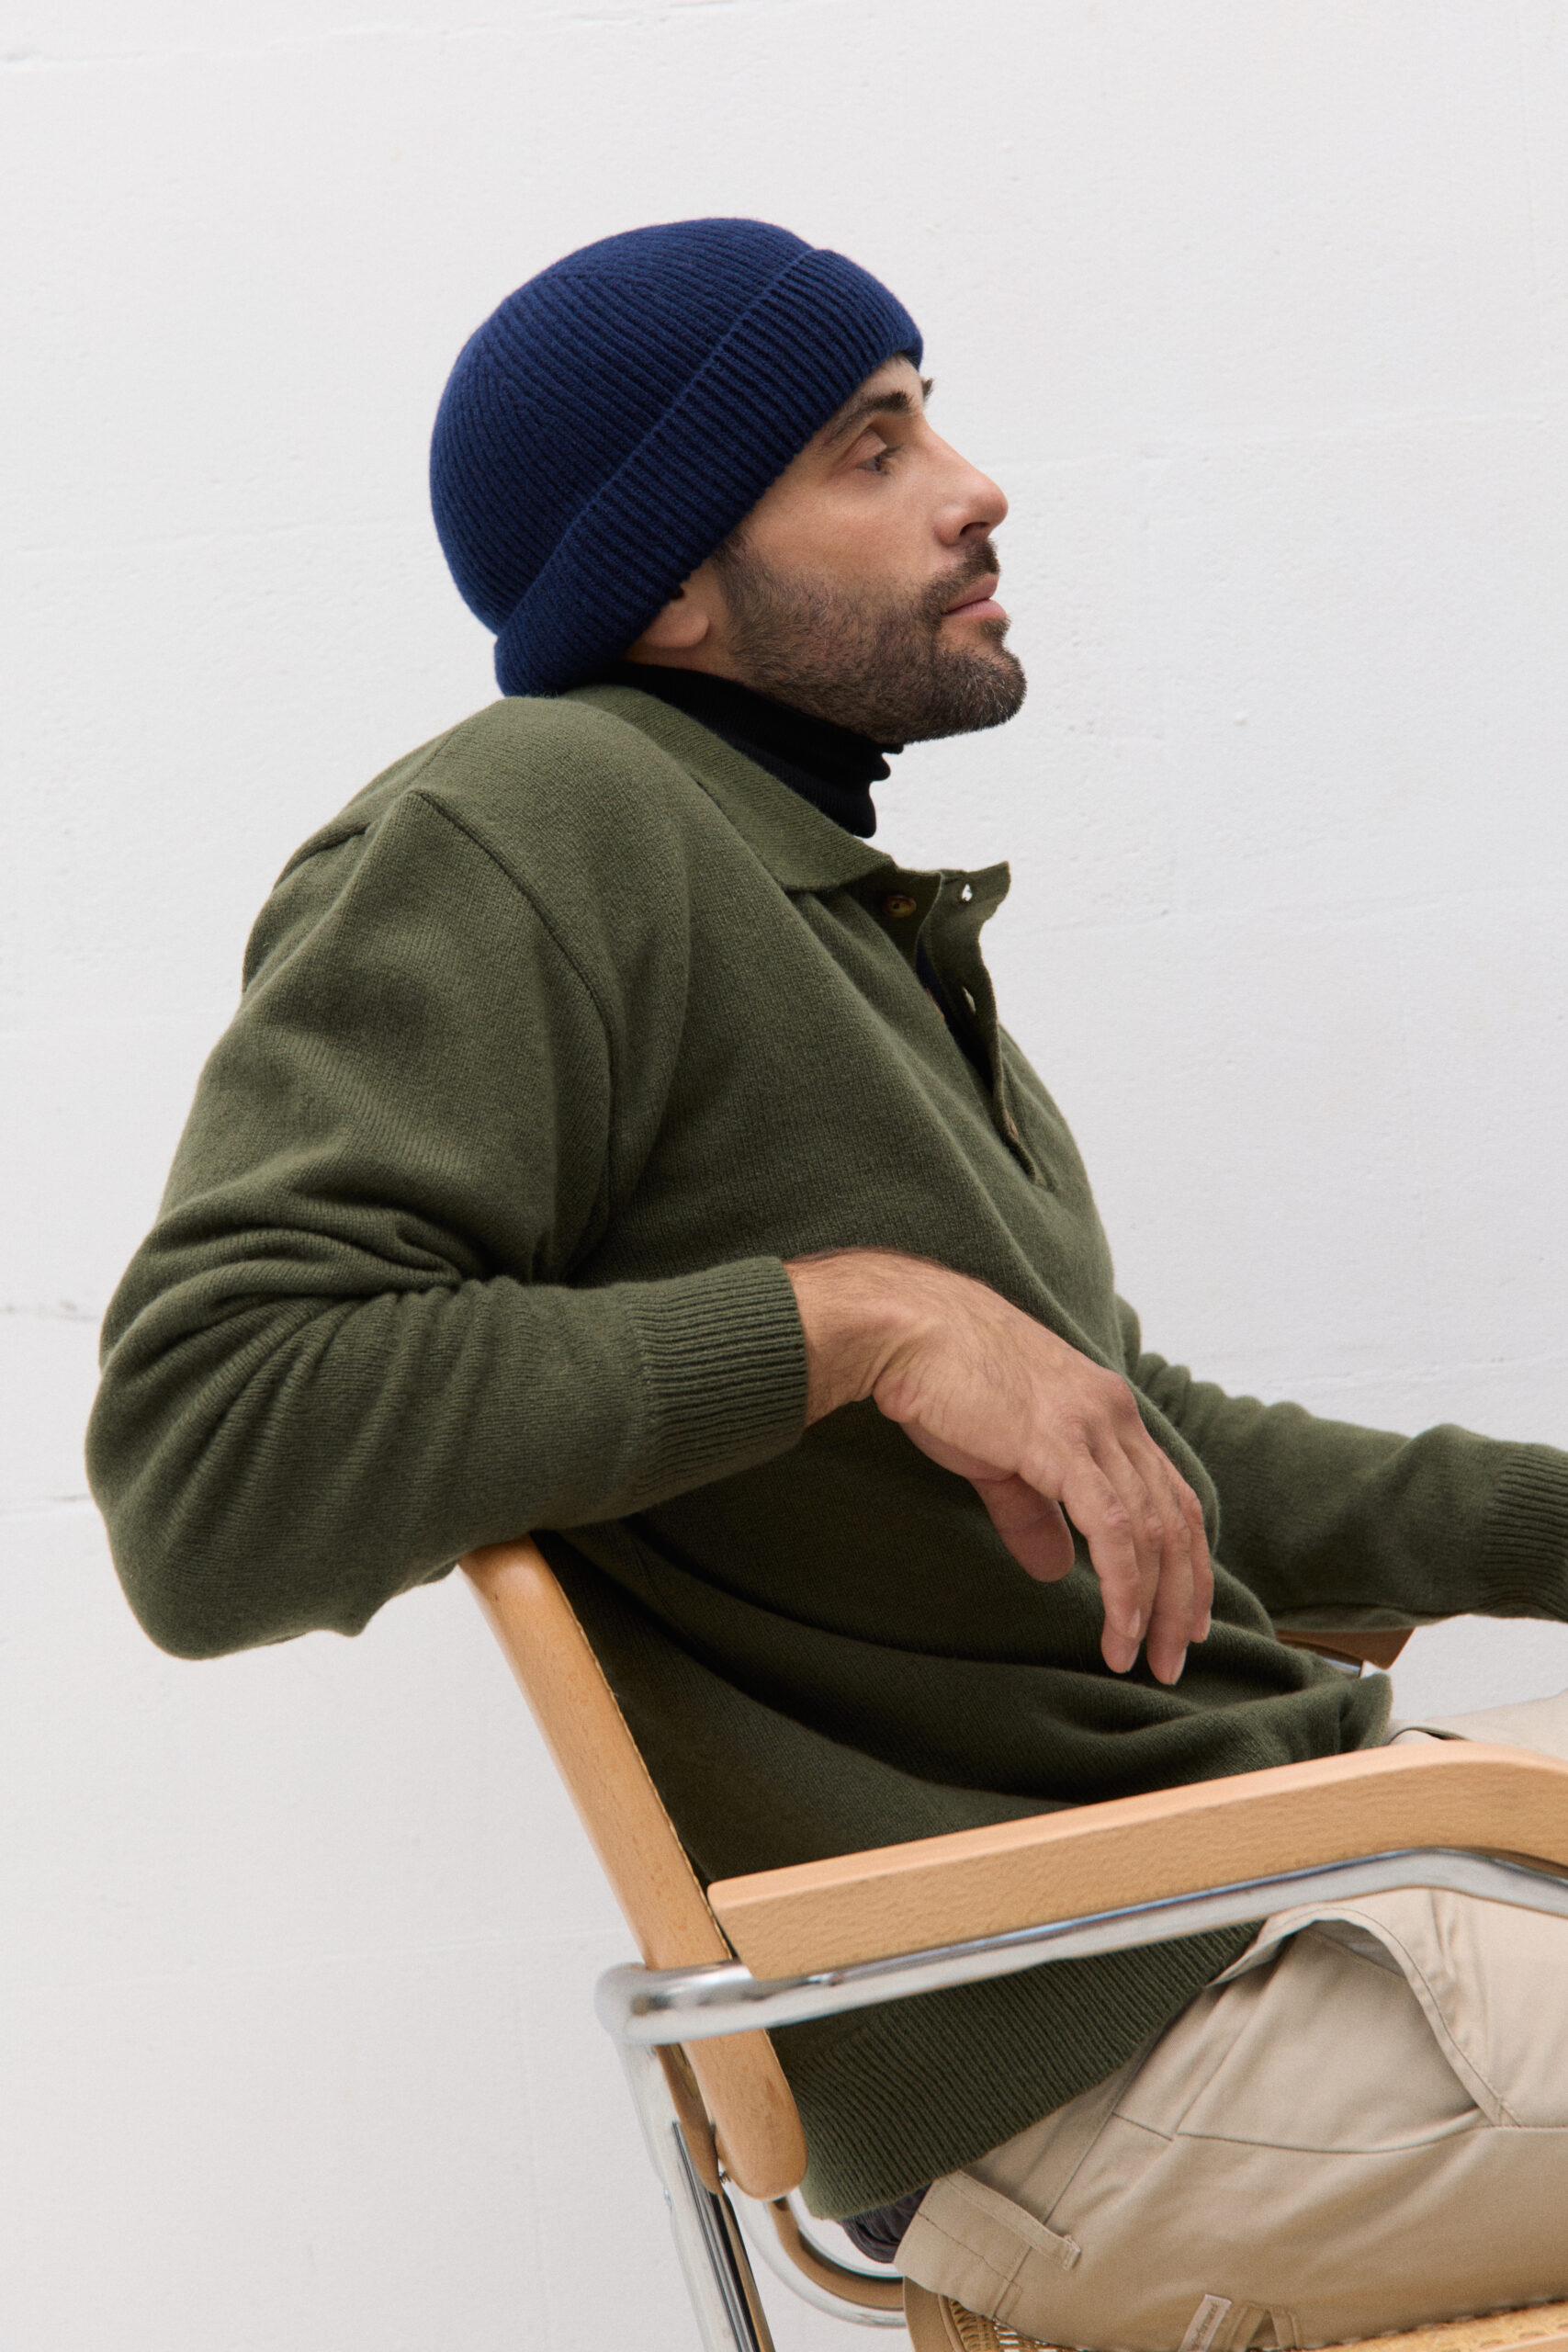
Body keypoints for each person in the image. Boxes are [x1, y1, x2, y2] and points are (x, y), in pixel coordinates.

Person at [86, 219, 1568, 2348]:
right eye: (870, 449)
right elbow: (211, 1459)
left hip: (1289, 1896)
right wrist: (852, 1320)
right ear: (672, 582)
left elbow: (1142, 1456)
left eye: (928, 418)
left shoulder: (818, 904)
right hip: (1130, 2040)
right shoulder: (531, 824)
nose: (972, 487)